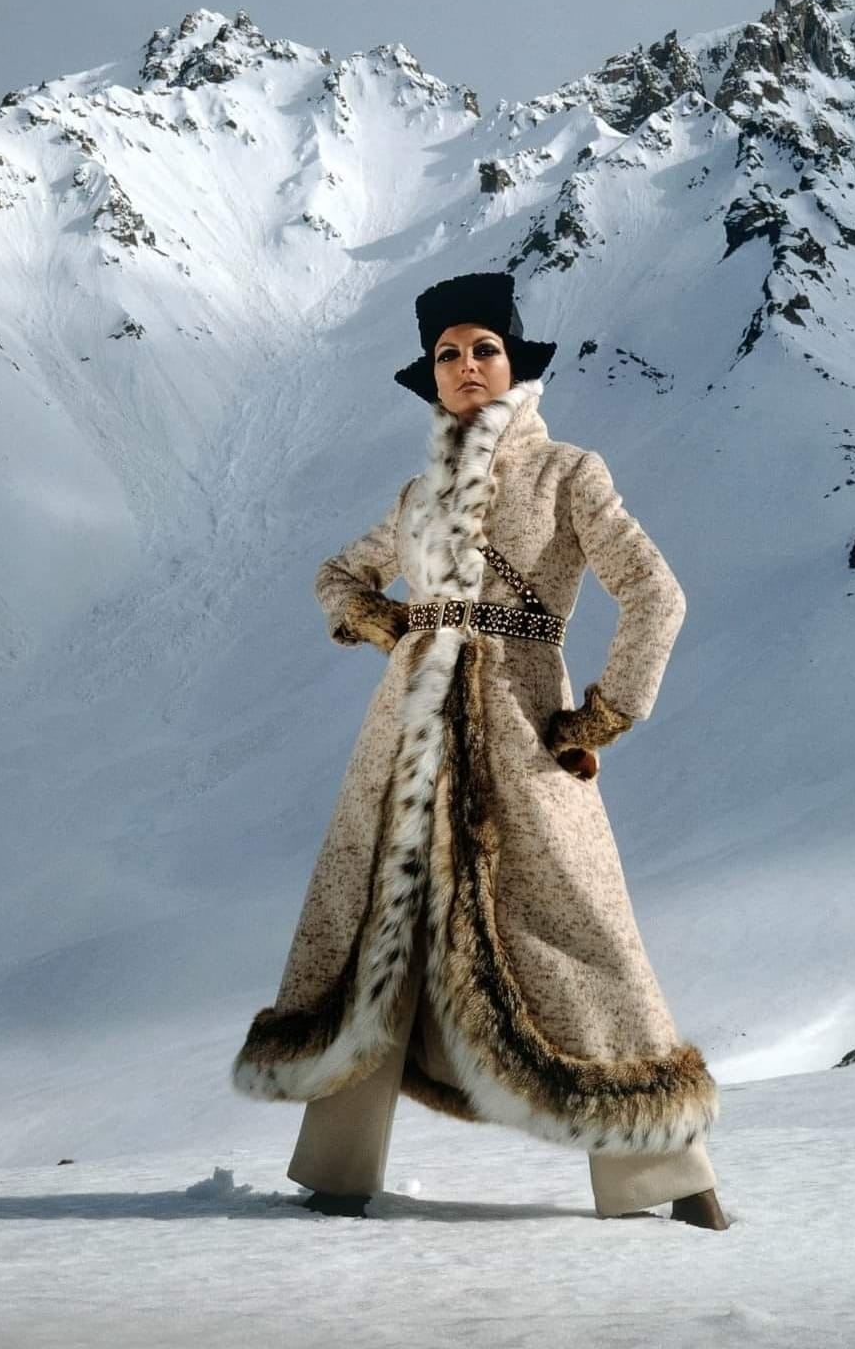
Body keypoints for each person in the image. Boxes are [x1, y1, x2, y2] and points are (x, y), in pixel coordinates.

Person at [231, 271, 727, 1229]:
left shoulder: (569, 471)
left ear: (514, 363)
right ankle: (338, 1172)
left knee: (587, 936)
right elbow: (338, 574)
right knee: (377, 929)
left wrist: (603, 715)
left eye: (484, 349)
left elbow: (656, 594)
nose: (466, 367)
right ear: (432, 376)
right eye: (448, 355)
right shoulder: (418, 493)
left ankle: (670, 1176)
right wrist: (387, 623)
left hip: (521, 723)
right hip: (405, 736)